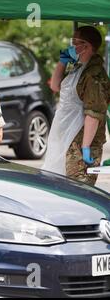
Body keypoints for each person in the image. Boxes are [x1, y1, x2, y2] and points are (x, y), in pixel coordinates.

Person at [42, 26, 110, 186]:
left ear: (86, 46)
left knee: (77, 190)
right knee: (57, 186)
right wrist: (62, 62)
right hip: (65, 134)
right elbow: (55, 86)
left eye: (75, 43)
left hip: (79, 142)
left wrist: (85, 147)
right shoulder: (79, 68)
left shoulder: (94, 75)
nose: (71, 47)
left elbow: (93, 114)